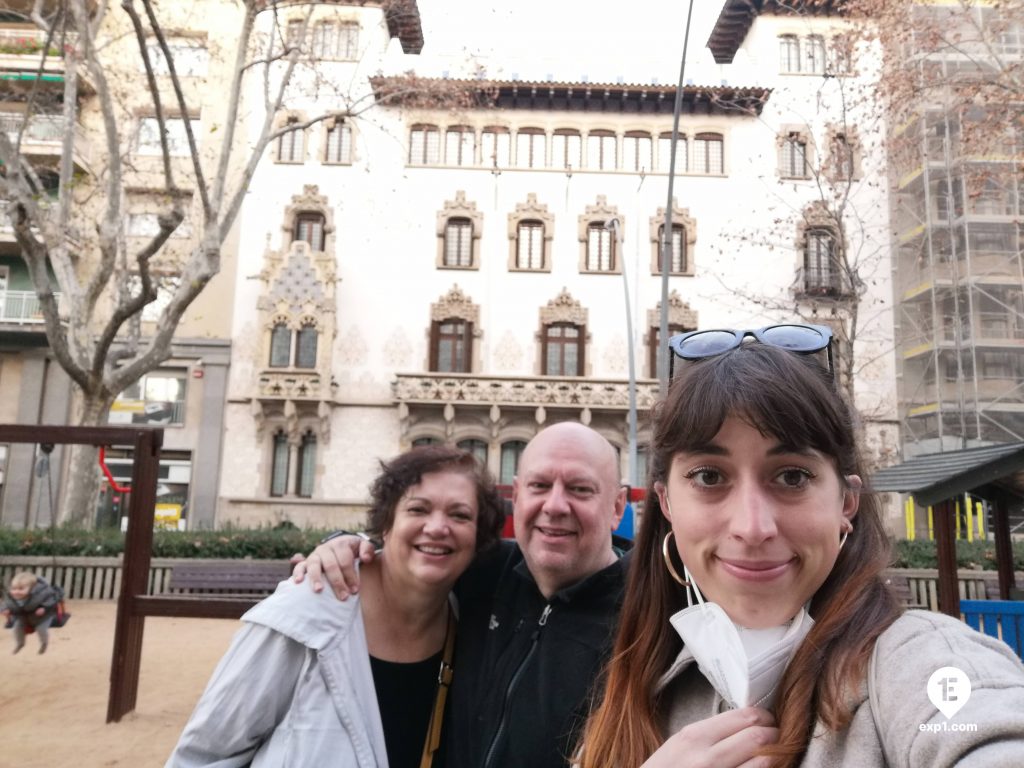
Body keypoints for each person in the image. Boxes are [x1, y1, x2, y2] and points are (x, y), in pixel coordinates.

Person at [577, 329, 1024, 768]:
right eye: (709, 477)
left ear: (846, 502)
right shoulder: (636, 685)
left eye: (792, 477)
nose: (752, 528)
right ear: (667, 502)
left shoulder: (919, 661)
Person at [297, 421, 629, 768]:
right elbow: (417, 547)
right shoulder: (481, 570)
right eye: (539, 485)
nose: (555, 505)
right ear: (516, 497)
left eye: (579, 489)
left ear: (617, 506)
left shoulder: (647, 614)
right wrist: (346, 545)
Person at [167, 445, 504, 768]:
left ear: (478, 538)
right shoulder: (304, 614)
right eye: (418, 509)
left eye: (459, 515)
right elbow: (203, 756)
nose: (437, 527)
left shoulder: (473, 623)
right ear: (386, 524)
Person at [3, 571, 65, 654]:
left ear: (32, 588)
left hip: (42, 618)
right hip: (23, 618)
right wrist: (5, 610)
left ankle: (44, 644)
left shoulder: (42, 593)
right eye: (14, 589)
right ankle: (20, 644)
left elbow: (51, 601)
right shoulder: (11, 597)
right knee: (17, 629)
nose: (16, 592)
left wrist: (44, 608)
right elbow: (6, 604)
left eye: (21, 589)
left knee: (41, 629)